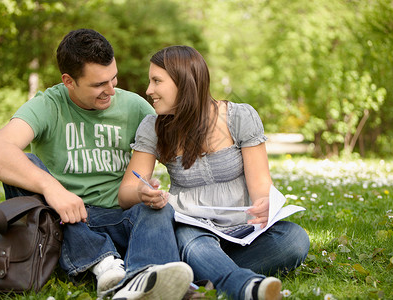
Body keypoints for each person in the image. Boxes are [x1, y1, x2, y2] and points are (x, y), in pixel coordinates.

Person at [0, 29, 193, 300]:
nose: (111, 90)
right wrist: (52, 189)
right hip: (63, 223)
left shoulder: (134, 107)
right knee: (24, 164)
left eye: (113, 78)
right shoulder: (48, 105)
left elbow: (181, 156)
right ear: (68, 81)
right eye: (98, 85)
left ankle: (142, 280)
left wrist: (145, 191)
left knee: (156, 209)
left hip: (118, 217)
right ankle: (104, 264)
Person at [118, 45, 310, 300]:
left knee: (294, 238)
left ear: (183, 82)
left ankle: (202, 276)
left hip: (243, 232)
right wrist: (142, 192)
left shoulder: (239, 117)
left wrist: (265, 203)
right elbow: (126, 193)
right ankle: (243, 286)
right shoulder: (153, 127)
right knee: (192, 241)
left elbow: (261, 185)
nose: (148, 90)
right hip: (195, 230)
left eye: (156, 81)